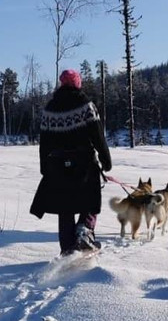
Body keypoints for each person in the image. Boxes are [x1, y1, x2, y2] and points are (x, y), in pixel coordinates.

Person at [29, 69, 112, 255]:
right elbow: (98, 136)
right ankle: (84, 232)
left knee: (64, 208)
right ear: (77, 83)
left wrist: (44, 167)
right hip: (84, 163)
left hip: (58, 166)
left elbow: (45, 143)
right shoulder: (85, 105)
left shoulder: (50, 108)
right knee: (90, 201)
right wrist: (106, 160)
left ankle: (67, 249)